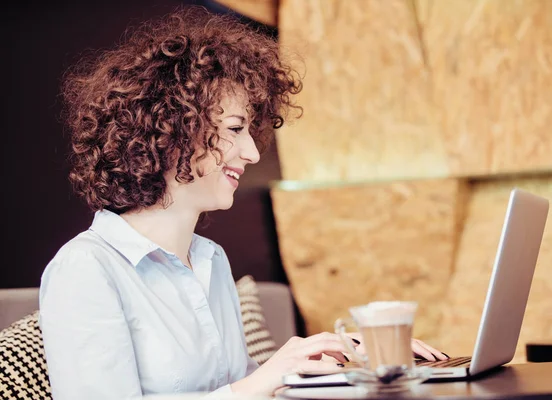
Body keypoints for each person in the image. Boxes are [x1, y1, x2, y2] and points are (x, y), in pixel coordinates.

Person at [39, 5, 447, 400]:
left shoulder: (210, 260)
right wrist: (264, 377)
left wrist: (322, 368)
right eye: (235, 128)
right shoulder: (86, 269)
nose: (252, 153)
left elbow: (242, 390)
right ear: (170, 130)